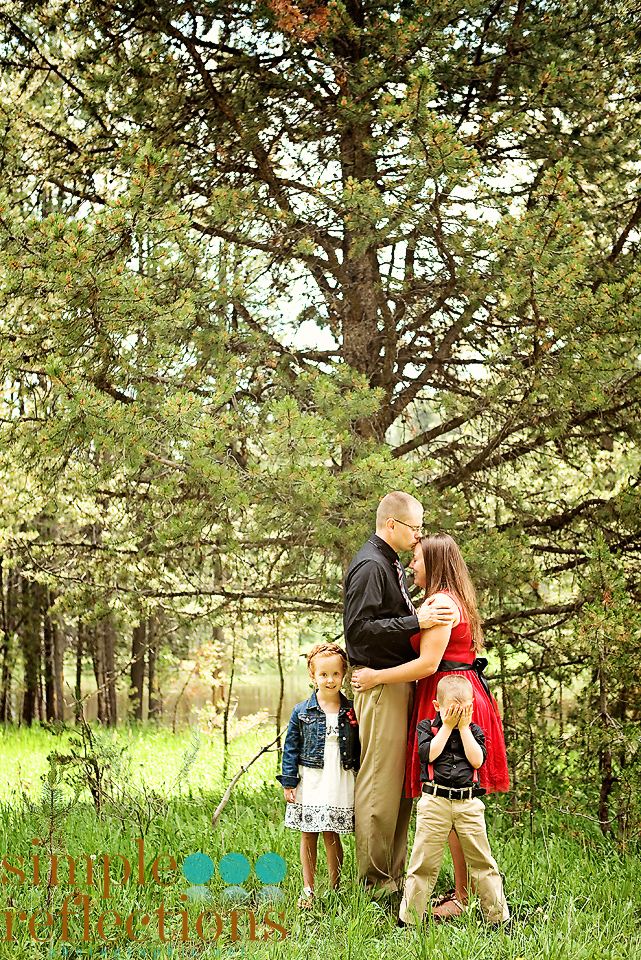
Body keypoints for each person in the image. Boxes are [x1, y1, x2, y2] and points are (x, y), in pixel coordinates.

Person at [352, 532, 509, 917]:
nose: (411, 566)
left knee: (453, 796)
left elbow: (427, 664)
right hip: (454, 693)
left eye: (418, 559)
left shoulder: (440, 602)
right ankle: (464, 893)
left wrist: (376, 677)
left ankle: (463, 897)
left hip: (450, 699)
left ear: (435, 563)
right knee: (456, 795)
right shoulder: (452, 597)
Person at [343, 492, 455, 895]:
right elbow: (358, 631)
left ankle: (392, 877)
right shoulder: (370, 565)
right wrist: (416, 620)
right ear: (392, 525)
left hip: (397, 682)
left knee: (399, 785)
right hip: (380, 686)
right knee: (379, 784)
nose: (418, 534)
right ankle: (375, 884)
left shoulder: (389, 563)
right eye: (414, 527)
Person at [399, 674, 509, 928]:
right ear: (438, 707)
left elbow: (477, 761)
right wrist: (447, 727)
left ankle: (498, 919)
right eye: (453, 710)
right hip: (435, 801)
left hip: (468, 804)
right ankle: (410, 920)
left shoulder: (474, 731)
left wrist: (462, 728)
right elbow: (428, 755)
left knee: (483, 863)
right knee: (423, 862)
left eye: (466, 709)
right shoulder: (428, 728)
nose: (459, 714)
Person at [277, 642, 360, 908]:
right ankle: (308, 889)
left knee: (331, 832)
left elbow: (361, 746)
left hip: (339, 777)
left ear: (343, 675)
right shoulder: (301, 711)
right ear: (313, 676)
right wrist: (289, 781)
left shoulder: (351, 710)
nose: (330, 679)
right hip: (311, 778)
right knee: (308, 832)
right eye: (323, 674)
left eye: (336, 674)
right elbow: (290, 748)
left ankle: (335, 887)